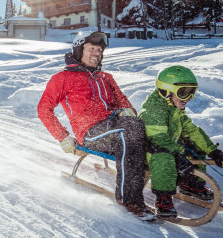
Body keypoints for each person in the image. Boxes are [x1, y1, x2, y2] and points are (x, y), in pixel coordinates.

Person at [37, 31, 155, 221]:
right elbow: (44, 109)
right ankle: (130, 200)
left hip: (116, 127)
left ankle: (174, 181)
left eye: (99, 50)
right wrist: (63, 136)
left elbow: (125, 104)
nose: (96, 53)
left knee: (142, 127)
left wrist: (128, 112)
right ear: (78, 50)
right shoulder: (62, 78)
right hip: (91, 133)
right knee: (128, 130)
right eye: (91, 48)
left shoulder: (105, 77)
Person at [138, 65, 223, 218]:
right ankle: (163, 198)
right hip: (149, 153)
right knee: (164, 156)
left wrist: (212, 150)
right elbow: (159, 139)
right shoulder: (152, 111)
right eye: (183, 92)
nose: (188, 98)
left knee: (193, 145)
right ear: (165, 91)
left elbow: (192, 131)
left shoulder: (174, 109)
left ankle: (191, 185)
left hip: (168, 147)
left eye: (191, 92)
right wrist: (178, 156)